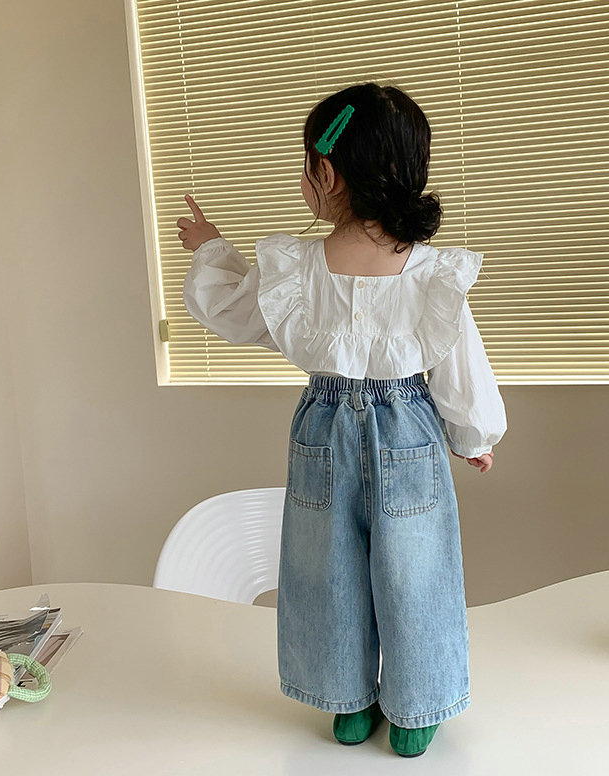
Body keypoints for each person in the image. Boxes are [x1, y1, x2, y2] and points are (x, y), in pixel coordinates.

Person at [178, 82, 507, 758]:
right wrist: (472, 435)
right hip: (408, 429)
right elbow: (460, 362)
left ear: (325, 174)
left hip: (322, 430)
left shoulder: (295, 270)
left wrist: (210, 247)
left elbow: (233, 313)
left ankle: (348, 704)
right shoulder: (431, 273)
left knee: (324, 567)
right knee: (417, 570)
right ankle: (416, 712)